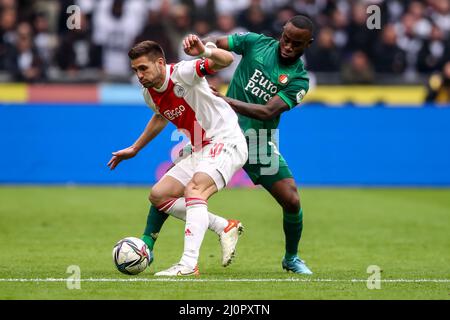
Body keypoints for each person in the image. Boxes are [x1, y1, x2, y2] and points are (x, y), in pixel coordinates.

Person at [108, 36, 248, 276]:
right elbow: (161, 116)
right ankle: (224, 226)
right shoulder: (149, 94)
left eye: (143, 68)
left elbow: (226, 60)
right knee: (159, 196)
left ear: (160, 63)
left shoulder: (183, 72)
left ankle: (188, 264)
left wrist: (205, 51)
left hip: (225, 140)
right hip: (200, 148)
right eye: (135, 70)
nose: (139, 75)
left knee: (195, 190)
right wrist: (135, 148)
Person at [204, 15, 315, 274]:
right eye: (286, 39)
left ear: (307, 44)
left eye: (295, 44)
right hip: (222, 133)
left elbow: (266, 112)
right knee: (179, 186)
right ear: (282, 32)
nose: (288, 46)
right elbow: (216, 42)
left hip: (257, 142)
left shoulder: (299, 80)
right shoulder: (254, 43)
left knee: (292, 200)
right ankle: (148, 243)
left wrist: (224, 100)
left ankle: (291, 258)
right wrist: (202, 48)